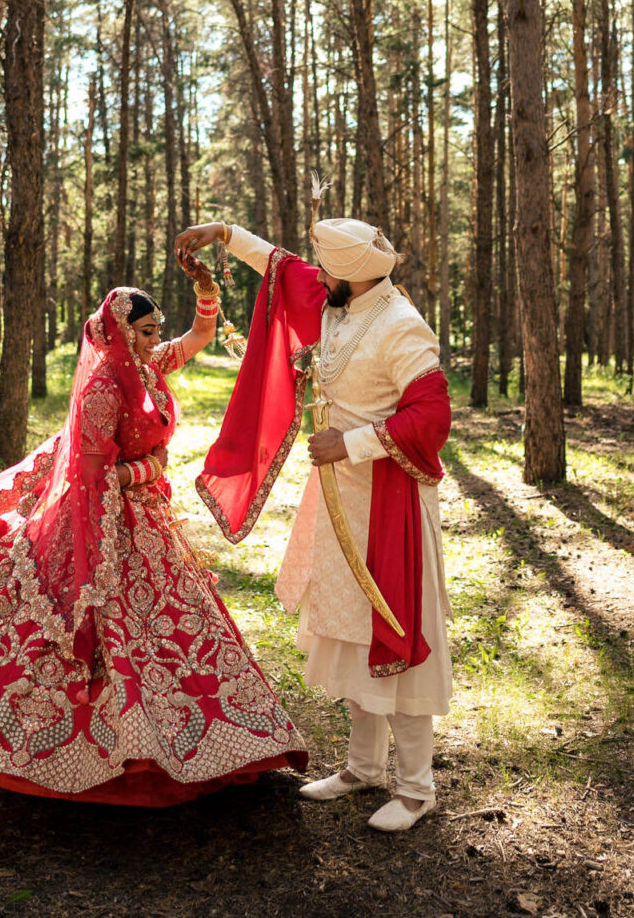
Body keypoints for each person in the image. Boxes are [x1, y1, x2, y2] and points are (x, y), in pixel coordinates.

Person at [0, 268, 308, 805]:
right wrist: (150, 470)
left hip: (149, 522)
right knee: (83, 630)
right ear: (117, 330)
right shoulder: (103, 388)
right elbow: (95, 477)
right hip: (102, 524)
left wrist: (206, 291)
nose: (153, 340)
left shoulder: (147, 367)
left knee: (177, 631)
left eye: (156, 330)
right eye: (142, 331)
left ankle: (212, 742)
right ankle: (83, 754)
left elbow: (199, 338)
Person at [175, 217, 453, 831]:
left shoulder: (402, 327)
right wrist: (226, 234)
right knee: (351, 631)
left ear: (350, 275)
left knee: (393, 635)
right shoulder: (342, 299)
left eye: (327, 268)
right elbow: (283, 266)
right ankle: (363, 766)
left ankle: (415, 788)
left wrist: (350, 443)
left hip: (391, 506)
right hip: (338, 501)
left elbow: (432, 415)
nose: (317, 275)